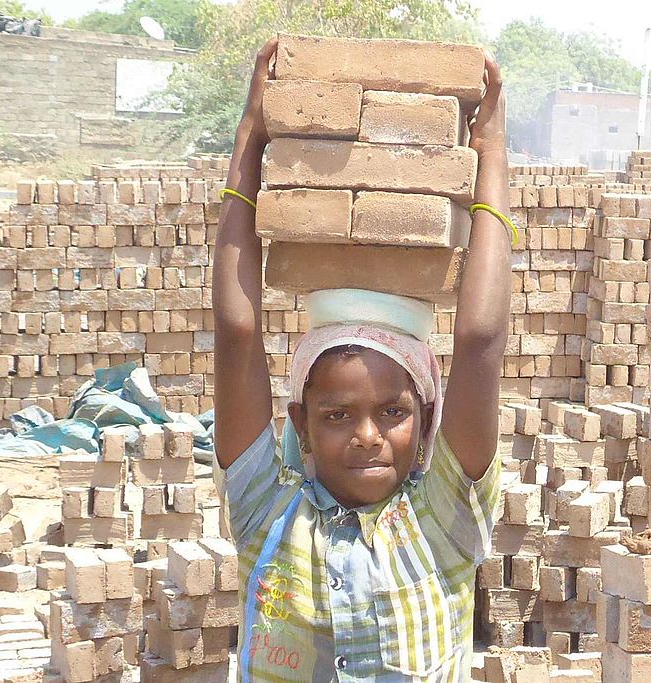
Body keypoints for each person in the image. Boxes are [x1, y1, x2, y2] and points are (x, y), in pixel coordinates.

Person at [213, 37, 511, 682]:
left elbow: (480, 343)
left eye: (394, 412)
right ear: (300, 422)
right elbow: (237, 332)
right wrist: (251, 138)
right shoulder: (266, 512)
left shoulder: (442, 522)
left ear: (427, 418)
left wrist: (491, 155)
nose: (367, 436)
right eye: (338, 413)